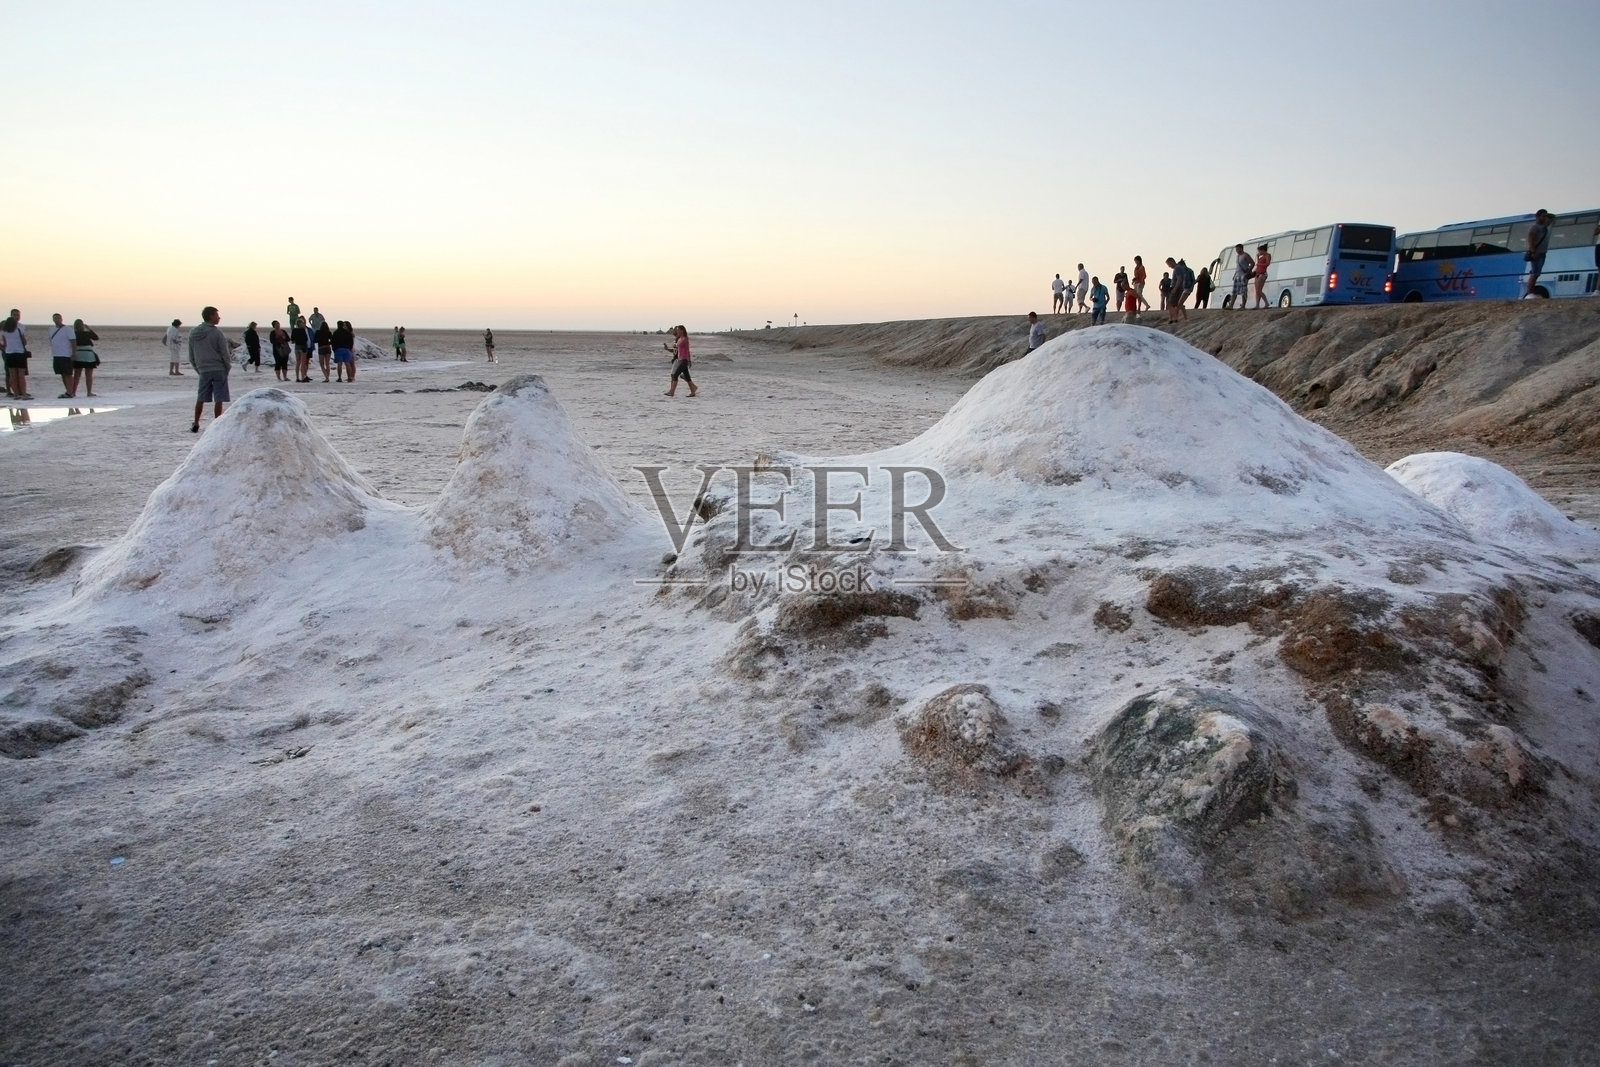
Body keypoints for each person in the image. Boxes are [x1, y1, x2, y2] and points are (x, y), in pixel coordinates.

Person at [188, 306, 232, 433]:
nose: (219, 317)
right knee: (219, 398)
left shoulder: (193, 333)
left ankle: (196, 422)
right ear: (211, 316)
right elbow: (225, 353)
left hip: (203, 369)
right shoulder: (217, 333)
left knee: (201, 397)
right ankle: (217, 424)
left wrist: (198, 368)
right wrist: (227, 368)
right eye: (217, 315)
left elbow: (191, 355)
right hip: (218, 368)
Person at [663, 324, 697, 396]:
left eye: (678, 330)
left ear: (682, 330)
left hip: (684, 360)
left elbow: (687, 350)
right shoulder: (679, 339)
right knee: (687, 377)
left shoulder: (685, 339)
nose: (677, 331)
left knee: (675, 375)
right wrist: (668, 349)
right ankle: (693, 391)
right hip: (679, 359)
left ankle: (672, 392)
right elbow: (676, 350)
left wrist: (689, 360)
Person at [2, 310, 30, 400]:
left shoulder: (4, 330)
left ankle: (16, 394)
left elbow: (4, 343)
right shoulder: (19, 328)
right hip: (19, 353)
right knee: (21, 375)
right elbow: (24, 342)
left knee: (12, 375)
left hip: (9, 353)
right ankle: (24, 394)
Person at [1526, 208, 1553, 297]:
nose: (1545, 218)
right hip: (1536, 253)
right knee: (1534, 273)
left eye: (1545, 216)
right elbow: (1530, 239)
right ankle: (1530, 293)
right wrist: (1533, 251)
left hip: (1542, 253)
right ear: (1537, 217)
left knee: (1537, 273)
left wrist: (1547, 215)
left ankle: (1531, 292)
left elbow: (1553, 218)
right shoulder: (1535, 227)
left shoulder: (1544, 227)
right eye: (1543, 216)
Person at [48, 313, 77, 397]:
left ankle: (71, 392)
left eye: (58, 318)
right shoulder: (51, 329)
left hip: (66, 355)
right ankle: (68, 391)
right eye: (55, 318)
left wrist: (74, 353)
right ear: (53, 319)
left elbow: (73, 342)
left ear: (61, 319)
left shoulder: (68, 329)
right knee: (62, 374)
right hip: (57, 355)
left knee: (68, 374)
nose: (57, 320)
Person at [71, 319, 100, 397]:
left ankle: (73, 392)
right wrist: (88, 328)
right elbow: (96, 338)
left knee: (77, 375)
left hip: (78, 354)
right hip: (88, 354)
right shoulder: (86, 333)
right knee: (89, 375)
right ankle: (89, 392)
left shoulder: (73, 334)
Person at [1165, 257, 1192, 322]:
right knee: (1179, 304)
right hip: (1180, 288)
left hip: (1176, 288)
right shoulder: (1179, 268)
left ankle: (1173, 318)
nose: (1169, 266)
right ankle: (1184, 318)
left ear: (1172, 262)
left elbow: (1179, 279)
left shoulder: (1177, 268)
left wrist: (1175, 288)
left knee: (1170, 304)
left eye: (1169, 264)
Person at [291, 315, 312, 382]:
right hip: (303, 347)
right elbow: (305, 338)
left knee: (298, 363)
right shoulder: (302, 330)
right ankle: (303, 377)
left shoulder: (294, 330)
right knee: (303, 363)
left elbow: (292, 339)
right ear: (300, 324)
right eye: (302, 323)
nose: (303, 324)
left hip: (297, 347)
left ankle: (297, 377)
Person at [1232, 244, 1252, 309]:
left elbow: (1252, 263)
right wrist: (1234, 275)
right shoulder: (1237, 256)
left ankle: (1243, 306)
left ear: (1241, 248)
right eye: (1236, 249)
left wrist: (1248, 272)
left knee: (1243, 291)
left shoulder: (1245, 255)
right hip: (1237, 275)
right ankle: (1231, 305)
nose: (1237, 251)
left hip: (1243, 275)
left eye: (1238, 249)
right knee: (1234, 291)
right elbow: (1237, 266)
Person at [313, 317, 334, 382]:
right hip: (327, 348)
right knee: (327, 364)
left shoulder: (318, 332)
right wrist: (327, 342)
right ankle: (327, 377)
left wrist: (320, 340)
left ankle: (326, 377)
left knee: (322, 364)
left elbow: (315, 340)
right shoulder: (329, 332)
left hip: (321, 348)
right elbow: (332, 341)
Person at [1253, 243, 1273, 308]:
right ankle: (1257, 305)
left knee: (1259, 290)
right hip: (1257, 273)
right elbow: (1258, 264)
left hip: (1262, 274)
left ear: (1263, 250)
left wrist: (1259, 264)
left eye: (1259, 251)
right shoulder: (1261, 257)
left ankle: (1266, 303)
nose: (1259, 252)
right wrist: (1257, 257)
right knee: (1257, 290)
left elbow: (1267, 264)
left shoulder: (1268, 255)